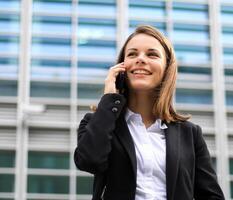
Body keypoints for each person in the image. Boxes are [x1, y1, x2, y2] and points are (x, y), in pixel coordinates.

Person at [74, 25, 225, 200]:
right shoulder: (98, 122)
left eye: (152, 54)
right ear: (121, 67)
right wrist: (109, 99)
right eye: (132, 54)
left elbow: (211, 195)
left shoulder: (190, 134)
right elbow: (89, 161)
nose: (140, 59)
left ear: (167, 68)